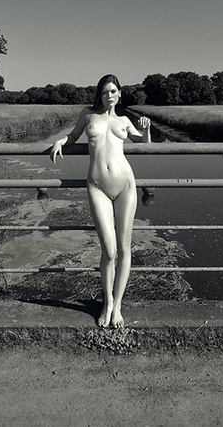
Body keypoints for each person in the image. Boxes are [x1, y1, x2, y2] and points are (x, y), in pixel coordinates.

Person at [50, 74, 151, 328]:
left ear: (119, 93)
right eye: (105, 92)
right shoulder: (88, 115)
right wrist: (61, 140)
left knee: (125, 248)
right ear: (99, 94)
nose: (109, 95)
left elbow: (144, 143)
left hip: (125, 185)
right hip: (97, 187)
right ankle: (107, 302)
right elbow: (73, 136)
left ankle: (117, 306)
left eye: (113, 91)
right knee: (109, 250)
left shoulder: (124, 121)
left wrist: (147, 129)